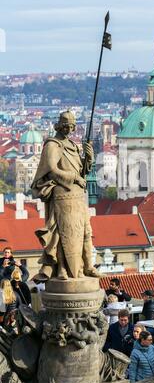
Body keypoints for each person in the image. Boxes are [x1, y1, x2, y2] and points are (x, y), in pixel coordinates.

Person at [30, 110, 101, 281]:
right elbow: (53, 171)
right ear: (59, 126)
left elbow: (81, 171)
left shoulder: (73, 145)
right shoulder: (52, 145)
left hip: (78, 196)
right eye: (67, 126)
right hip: (63, 195)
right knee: (63, 234)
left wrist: (89, 158)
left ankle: (88, 266)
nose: (70, 130)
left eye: (72, 127)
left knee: (85, 232)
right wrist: (74, 177)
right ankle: (62, 268)